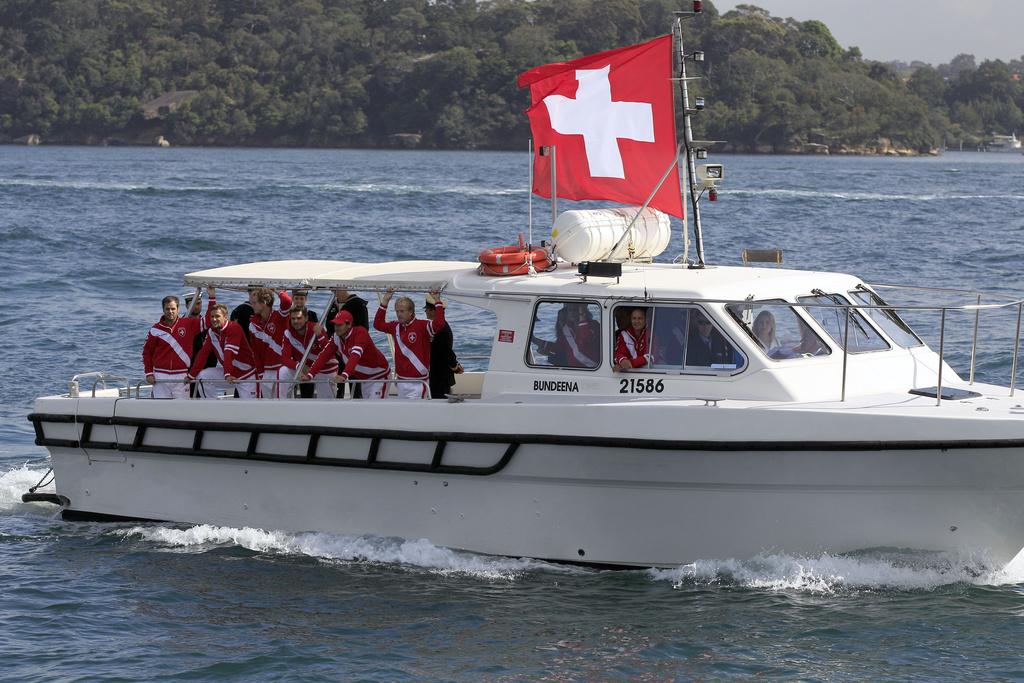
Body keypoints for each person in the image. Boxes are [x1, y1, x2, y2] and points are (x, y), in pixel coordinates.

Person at [374, 288, 446, 399]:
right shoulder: (395, 327)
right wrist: (385, 301)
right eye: (397, 311)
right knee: (403, 414)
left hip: (418, 383)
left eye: (402, 311)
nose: (399, 314)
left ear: (411, 312)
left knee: (414, 414)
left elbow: (440, 323)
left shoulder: (423, 326)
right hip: (401, 381)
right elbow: (377, 324)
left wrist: (437, 301)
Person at [143, 288, 214, 398]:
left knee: (182, 409)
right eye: (167, 309)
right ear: (163, 309)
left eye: (173, 308)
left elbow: (209, 321)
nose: (170, 312)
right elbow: (147, 352)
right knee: (161, 409)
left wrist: (212, 297)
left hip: (181, 376)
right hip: (160, 376)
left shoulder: (188, 324)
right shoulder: (155, 329)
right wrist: (148, 373)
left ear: (178, 309)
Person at [303, 310, 389, 399]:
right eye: (335, 324)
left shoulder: (360, 332)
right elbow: (324, 355)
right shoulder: (336, 337)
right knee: (368, 408)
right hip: (365, 379)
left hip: (379, 376)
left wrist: (344, 375)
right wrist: (310, 375)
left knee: (374, 407)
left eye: (340, 324)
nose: (336, 327)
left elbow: (355, 356)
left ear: (349, 325)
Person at [187, 303, 259, 399]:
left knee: (250, 408)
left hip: (246, 376)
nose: (214, 319)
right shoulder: (211, 332)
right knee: (202, 376)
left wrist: (227, 374)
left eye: (217, 316)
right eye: (212, 316)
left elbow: (229, 353)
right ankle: (212, 408)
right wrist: (191, 376)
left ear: (225, 317)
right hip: (230, 375)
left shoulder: (234, 328)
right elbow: (202, 355)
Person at [279, 306, 335, 399]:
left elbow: (329, 353)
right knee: (283, 371)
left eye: (299, 318)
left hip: (323, 369)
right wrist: (299, 367)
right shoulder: (288, 333)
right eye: (293, 318)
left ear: (306, 318)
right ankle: (283, 403)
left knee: (327, 402)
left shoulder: (316, 328)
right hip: (302, 368)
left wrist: (320, 336)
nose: (296, 321)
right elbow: (284, 359)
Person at [248, 287, 292, 398]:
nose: (252, 305)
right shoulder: (253, 324)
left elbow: (287, 301)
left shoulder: (280, 316)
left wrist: (278, 291)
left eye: (254, 303)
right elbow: (256, 352)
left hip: (283, 369)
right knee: (269, 406)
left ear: (264, 303)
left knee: (284, 404)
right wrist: (261, 373)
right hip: (266, 372)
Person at [324, 287, 368, 397]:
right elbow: (329, 327)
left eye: (337, 288)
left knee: (355, 379)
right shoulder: (333, 304)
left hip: (353, 349)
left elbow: (363, 328)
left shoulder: (357, 304)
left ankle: (357, 404)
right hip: (338, 347)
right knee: (338, 380)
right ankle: (338, 404)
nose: (334, 291)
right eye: (332, 289)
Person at [532, 303, 600, 368]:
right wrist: (534, 340)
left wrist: (581, 314)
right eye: (570, 310)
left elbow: (585, 337)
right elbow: (559, 348)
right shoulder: (567, 329)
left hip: (592, 370)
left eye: (576, 310)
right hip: (572, 370)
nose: (573, 313)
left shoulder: (594, 325)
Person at [425, 293, 463, 399]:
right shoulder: (440, 327)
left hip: (439, 377)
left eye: (427, 309)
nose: (425, 311)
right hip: (439, 376)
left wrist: (455, 367)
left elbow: (447, 353)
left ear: (433, 311)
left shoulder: (440, 330)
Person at [613, 307, 651, 372]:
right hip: (629, 374)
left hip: (648, 372)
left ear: (646, 320)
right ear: (630, 320)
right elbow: (618, 353)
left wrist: (629, 363)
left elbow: (651, 357)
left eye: (640, 318)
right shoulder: (624, 334)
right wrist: (622, 360)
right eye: (634, 318)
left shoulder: (650, 334)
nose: (637, 321)